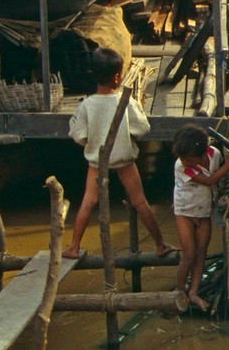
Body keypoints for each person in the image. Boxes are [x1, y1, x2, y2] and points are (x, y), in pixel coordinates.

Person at [63, 47, 176, 260]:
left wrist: (92, 140)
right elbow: (143, 129)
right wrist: (126, 134)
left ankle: (74, 247)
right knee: (140, 201)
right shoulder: (127, 102)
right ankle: (160, 244)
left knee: (88, 201)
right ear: (117, 77)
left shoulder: (87, 105)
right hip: (124, 159)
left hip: (97, 161)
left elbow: (78, 134)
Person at [171, 125, 229, 309]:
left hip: (204, 212)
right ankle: (180, 291)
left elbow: (217, 177)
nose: (184, 161)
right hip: (184, 212)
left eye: (188, 159)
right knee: (188, 255)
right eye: (182, 158)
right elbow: (210, 181)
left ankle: (194, 292)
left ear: (201, 154)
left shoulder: (214, 154)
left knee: (201, 253)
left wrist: (228, 163)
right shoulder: (181, 166)